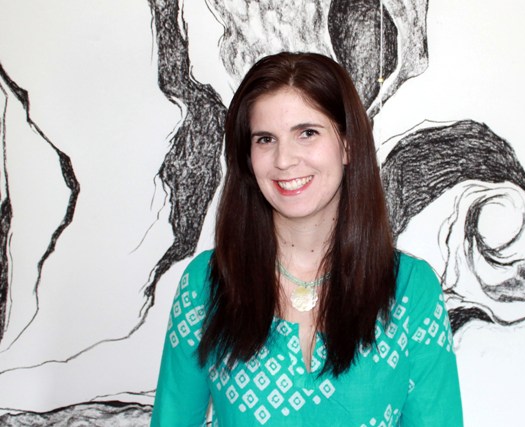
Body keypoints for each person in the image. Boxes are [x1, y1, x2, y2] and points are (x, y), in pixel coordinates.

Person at [151, 51, 463, 426]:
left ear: (347, 144)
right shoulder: (206, 284)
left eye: (307, 133)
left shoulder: (410, 288)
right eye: (265, 139)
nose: (284, 159)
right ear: (247, 157)